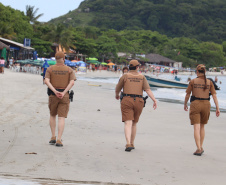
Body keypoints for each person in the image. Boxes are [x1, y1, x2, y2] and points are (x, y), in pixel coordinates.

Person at [115, 60, 157, 152]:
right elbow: (148, 90)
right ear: (137, 67)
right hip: (139, 101)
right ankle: (132, 143)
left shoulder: (125, 76)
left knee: (128, 122)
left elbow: (117, 88)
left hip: (127, 100)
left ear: (129, 67)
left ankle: (128, 143)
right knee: (134, 123)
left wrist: (117, 95)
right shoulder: (142, 77)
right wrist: (154, 100)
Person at [184, 64, 220, 156]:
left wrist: (185, 104)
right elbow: (214, 96)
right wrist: (217, 108)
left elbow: (187, 94)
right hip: (206, 105)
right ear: (205, 72)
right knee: (202, 126)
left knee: (196, 127)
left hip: (195, 104)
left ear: (197, 72)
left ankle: (199, 148)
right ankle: (200, 147)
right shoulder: (209, 82)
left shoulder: (193, 81)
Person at [45, 51, 76, 147]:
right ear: (64, 59)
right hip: (64, 95)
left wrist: (55, 91)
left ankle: (53, 136)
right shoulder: (69, 70)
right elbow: (72, 83)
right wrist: (63, 92)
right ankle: (59, 139)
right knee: (61, 117)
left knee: (52, 115)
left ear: (55, 59)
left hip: (53, 95)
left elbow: (46, 81)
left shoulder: (50, 69)